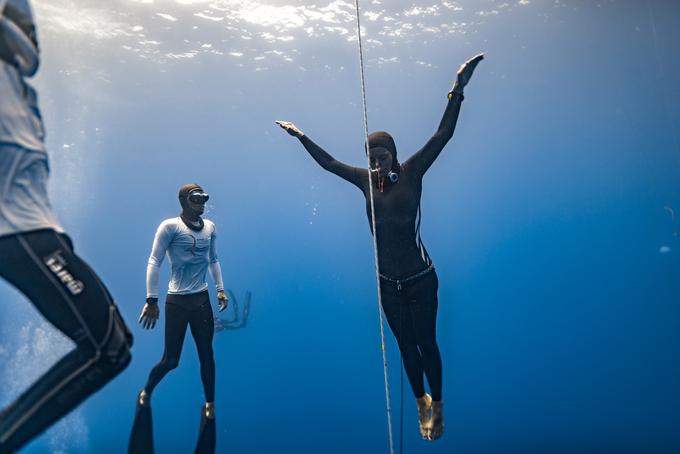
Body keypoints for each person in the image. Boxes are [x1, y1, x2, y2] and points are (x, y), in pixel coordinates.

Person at [276, 53, 483, 441]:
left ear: (394, 154)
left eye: (382, 158)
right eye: (370, 160)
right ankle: (420, 401)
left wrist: (457, 89)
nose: (375, 167)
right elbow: (330, 163)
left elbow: (443, 135)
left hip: (421, 279)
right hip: (388, 283)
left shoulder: (413, 171)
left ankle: (437, 403)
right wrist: (301, 136)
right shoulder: (365, 180)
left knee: (427, 344)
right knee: (406, 349)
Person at [0, 1, 133, 452]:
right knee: (108, 347)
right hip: (16, 231)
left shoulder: (19, 87)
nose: (31, 37)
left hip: (37, 232)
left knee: (115, 342)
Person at [131, 183, 227, 453]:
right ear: (184, 200)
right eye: (197, 198)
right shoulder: (169, 227)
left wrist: (220, 290)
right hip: (177, 302)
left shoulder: (210, 227)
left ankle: (210, 404)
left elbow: (214, 259)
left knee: (206, 354)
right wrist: (152, 300)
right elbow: (154, 261)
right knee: (171, 360)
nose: (202, 202)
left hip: (201, 300)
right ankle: (146, 391)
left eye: (205, 198)